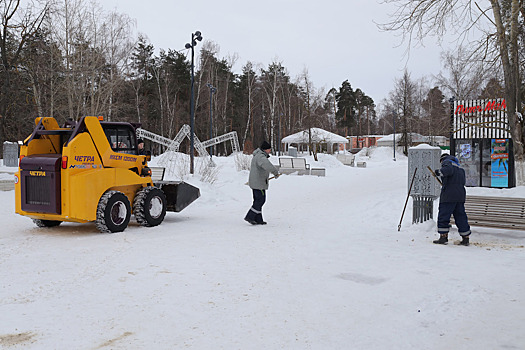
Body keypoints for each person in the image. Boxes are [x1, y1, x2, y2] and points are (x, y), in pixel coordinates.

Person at [433, 153, 471, 246]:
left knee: (444, 215)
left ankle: (443, 237)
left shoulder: (447, 162)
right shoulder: (460, 167)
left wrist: (438, 172)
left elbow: (447, 170)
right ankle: (465, 238)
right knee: (460, 216)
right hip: (460, 195)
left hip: (449, 195)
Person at [244, 141, 280, 225]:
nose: (270, 151)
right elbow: (267, 165)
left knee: (257, 200)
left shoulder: (258, 155)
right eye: (269, 149)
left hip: (256, 182)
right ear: (265, 149)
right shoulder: (261, 157)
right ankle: (250, 216)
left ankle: (258, 219)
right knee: (260, 200)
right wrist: (275, 172)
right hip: (258, 183)